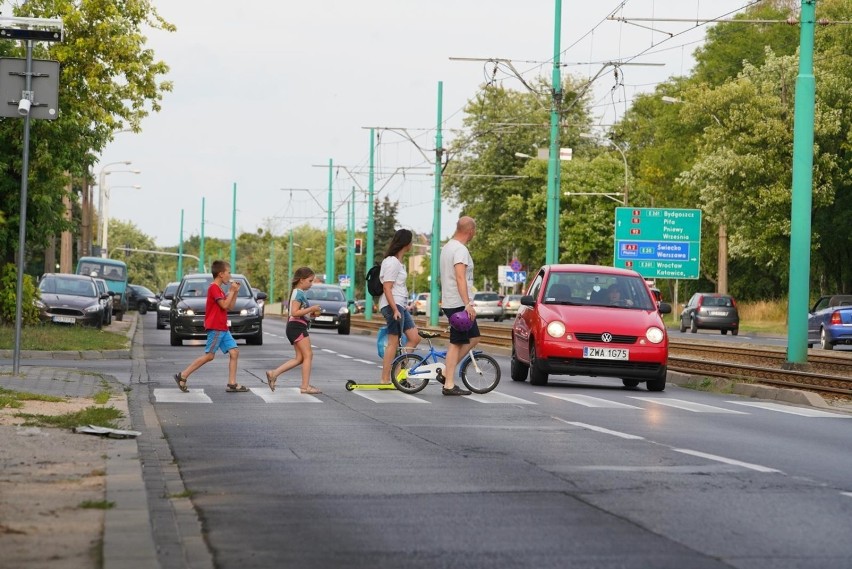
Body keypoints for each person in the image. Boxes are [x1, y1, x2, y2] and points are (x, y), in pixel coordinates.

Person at [174, 260, 247, 393]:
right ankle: (183, 375)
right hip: (216, 327)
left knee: (234, 352)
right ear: (220, 274)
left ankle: (232, 383)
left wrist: (235, 292)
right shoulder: (213, 288)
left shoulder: (219, 289)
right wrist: (231, 291)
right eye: (228, 273)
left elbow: (229, 306)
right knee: (209, 356)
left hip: (223, 327)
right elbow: (224, 305)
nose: (230, 276)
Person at [263, 267, 323, 394]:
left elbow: (298, 313)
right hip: (297, 327)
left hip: (296, 326)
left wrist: (311, 315)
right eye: (310, 281)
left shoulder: (299, 292)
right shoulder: (298, 293)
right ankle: (305, 386)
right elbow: (294, 313)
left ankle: (274, 373)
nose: (311, 284)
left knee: (300, 358)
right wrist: (311, 308)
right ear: (301, 280)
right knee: (308, 355)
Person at [439, 216, 479, 396]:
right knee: (456, 343)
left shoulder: (447, 247)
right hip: (458, 303)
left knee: (473, 337)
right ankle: (448, 383)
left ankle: (447, 372)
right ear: (470, 231)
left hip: (451, 300)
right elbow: (460, 277)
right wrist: (467, 304)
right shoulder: (460, 250)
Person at [378, 229, 421, 384]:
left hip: (399, 305)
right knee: (393, 342)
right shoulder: (392, 262)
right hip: (392, 306)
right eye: (411, 241)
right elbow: (387, 287)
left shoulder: (398, 262)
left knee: (414, 338)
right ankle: (385, 378)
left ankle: (397, 375)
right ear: (406, 243)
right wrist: (395, 309)